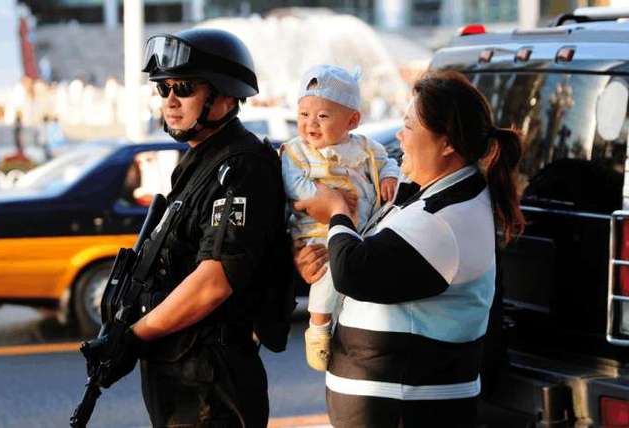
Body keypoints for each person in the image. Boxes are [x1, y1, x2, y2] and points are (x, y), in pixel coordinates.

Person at [294, 70, 524, 427]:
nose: (398, 137)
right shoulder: (432, 192)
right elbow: (363, 252)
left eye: (409, 127)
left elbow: (354, 273)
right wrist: (321, 252)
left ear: (446, 142)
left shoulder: (444, 219)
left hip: (408, 405)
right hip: (396, 402)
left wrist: (337, 213)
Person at [101, 28, 287, 427]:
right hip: (181, 374)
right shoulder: (199, 161)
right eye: (163, 89)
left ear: (224, 95)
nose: (169, 101)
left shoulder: (242, 167)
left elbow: (214, 280)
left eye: (183, 88)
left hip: (212, 384)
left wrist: (135, 337)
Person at [281, 64, 399, 372]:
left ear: (353, 120)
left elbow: (389, 163)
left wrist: (389, 177)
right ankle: (319, 326)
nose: (311, 125)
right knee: (329, 272)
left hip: (364, 230)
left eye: (322, 116)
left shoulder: (367, 148)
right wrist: (325, 199)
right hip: (319, 232)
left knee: (356, 279)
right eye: (304, 115)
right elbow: (294, 184)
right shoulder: (295, 152)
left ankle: (343, 326)